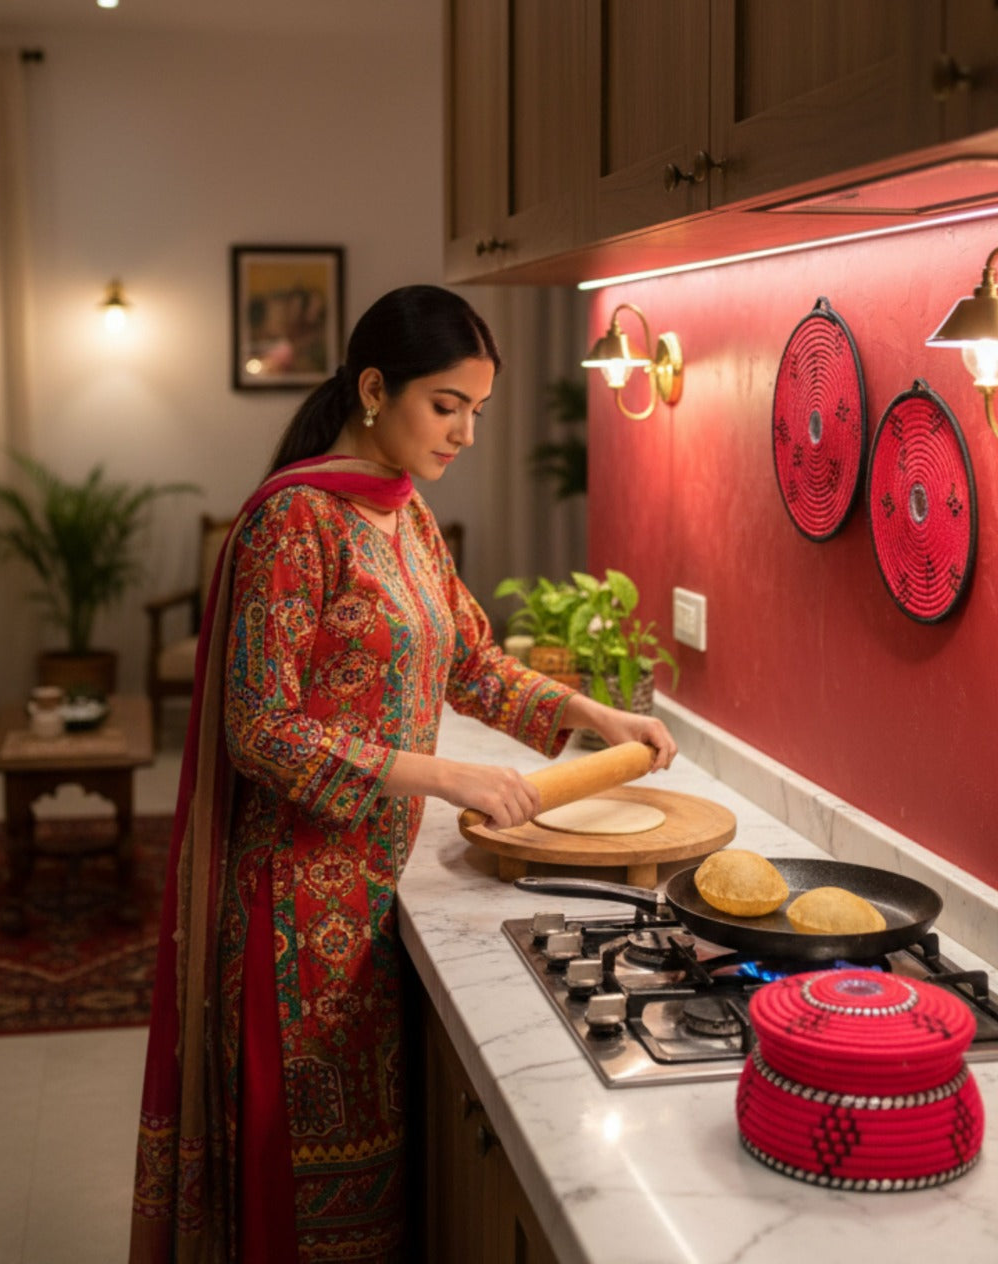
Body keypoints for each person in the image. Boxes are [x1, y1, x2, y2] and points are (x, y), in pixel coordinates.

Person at [129, 283, 676, 1264]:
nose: (465, 433)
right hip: (293, 913)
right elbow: (260, 729)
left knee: (367, 1197)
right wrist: (438, 774)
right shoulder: (293, 523)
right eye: (446, 405)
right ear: (374, 389)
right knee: (303, 1196)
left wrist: (588, 712)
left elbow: (470, 661)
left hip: (376, 885)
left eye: (478, 410)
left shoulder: (403, 517)